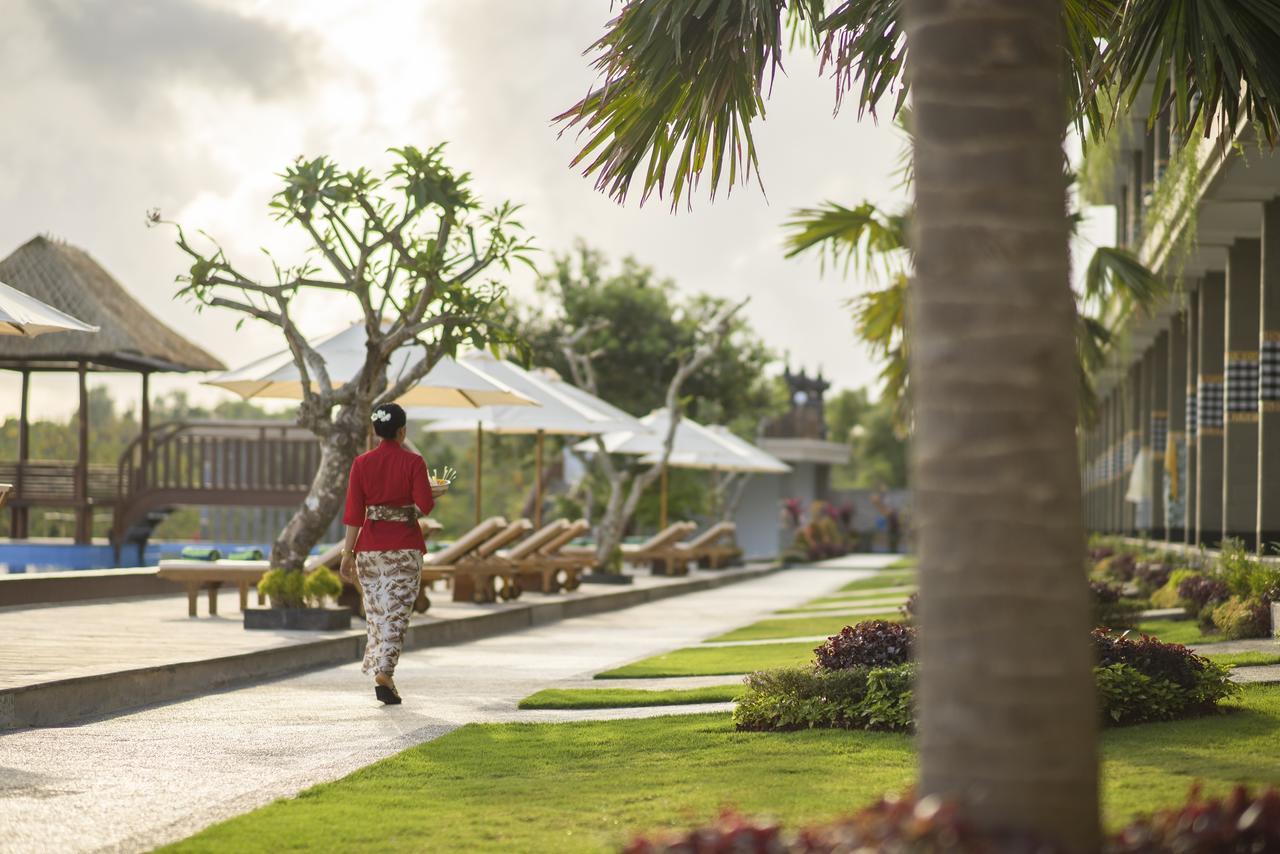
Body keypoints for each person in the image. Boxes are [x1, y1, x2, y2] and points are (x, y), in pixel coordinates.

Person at [339, 402, 448, 705]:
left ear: (375, 431)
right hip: (404, 548)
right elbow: (425, 505)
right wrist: (431, 491)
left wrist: (347, 554)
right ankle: (385, 672)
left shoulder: (361, 463)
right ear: (402, 431)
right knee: (397, 614)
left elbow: (353, 514)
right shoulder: (414, 462)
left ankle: (382, 670)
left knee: (376, 614)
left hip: (369, 550)